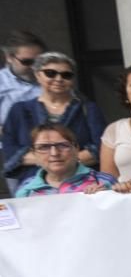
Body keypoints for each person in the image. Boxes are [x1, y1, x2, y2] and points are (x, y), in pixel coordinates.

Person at [3, 52, 105, 190]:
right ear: (38, 75)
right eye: (50, 73)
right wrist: (59, 161)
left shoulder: (88, 109)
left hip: (83, 185)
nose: (58, 79)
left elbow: (100, 148)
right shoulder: (19, 110)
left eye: (66, 75)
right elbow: (11, 152)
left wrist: (50, 161)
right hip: (33, 187)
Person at [15, 124, 116, 197]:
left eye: (63, 145)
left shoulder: (104, 181)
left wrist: (105, 197)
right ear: (34, 153)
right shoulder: (25, 190)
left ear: (76, 149)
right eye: (44, 147)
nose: (54, 153)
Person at [1, 30, 46, 127]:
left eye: (40, 61)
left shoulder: (53, 79)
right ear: (9, 57)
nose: (34, 66)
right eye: (27, 62)